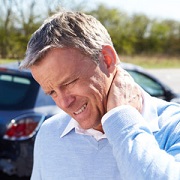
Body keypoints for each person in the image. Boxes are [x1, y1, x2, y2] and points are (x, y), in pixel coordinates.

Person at [20, 10, 180, 180]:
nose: (64, 103)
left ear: (107, 59)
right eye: (52, 92)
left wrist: (122, 120)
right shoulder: (49, 133)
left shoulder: (173, 127)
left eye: (69, 83)